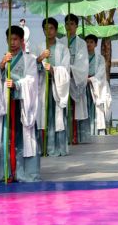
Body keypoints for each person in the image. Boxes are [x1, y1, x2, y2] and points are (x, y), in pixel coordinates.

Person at [0, 25, 41, 183]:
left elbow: (32, 81)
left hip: (22, 106)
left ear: (22, 41)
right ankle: (4, 172)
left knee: (23, 139)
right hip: (6, 106)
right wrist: (1, 67)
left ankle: (24, 173)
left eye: (15, 39)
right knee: (5, 138)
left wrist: (17, 84)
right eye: (9, 39)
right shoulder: (4, 59)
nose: (12, 43)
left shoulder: (30, 59)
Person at [36, 17, 71, 157]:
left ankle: (59, 148)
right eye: (45, 28)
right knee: (43, 116)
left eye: (51, 28)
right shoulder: (39, 47)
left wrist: (53, 70)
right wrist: (40, 58)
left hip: (57, 86)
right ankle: (43, 148)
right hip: (42, 86)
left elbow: (66, 69)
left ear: (56, 30)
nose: (48, 31)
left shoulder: (63, 49)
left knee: (58, 116)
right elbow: (31, 67)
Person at [77, 34, 111, 141]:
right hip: (83, 87)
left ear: (96, 44)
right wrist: (82, 78)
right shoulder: (80, 58)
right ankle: (83, 135)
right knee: (83, 109)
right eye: (87, 42)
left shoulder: (100, 58)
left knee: (95, 110)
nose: (89, 44)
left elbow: (101, 73)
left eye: (91, 42)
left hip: (95, 88)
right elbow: (78, 70)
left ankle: (95, 132)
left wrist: (91, 80)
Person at [64, 15, 90, 146]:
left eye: (72, 24)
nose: (69, 26)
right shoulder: (61, 42)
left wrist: (72, 69)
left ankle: (75, 136)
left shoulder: (81, 43)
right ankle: (65, 136)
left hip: (75, 78)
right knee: (64, 109)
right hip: (63, 79)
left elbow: (83, 64)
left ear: (76, 26)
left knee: (75, 109)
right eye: (67, 24)